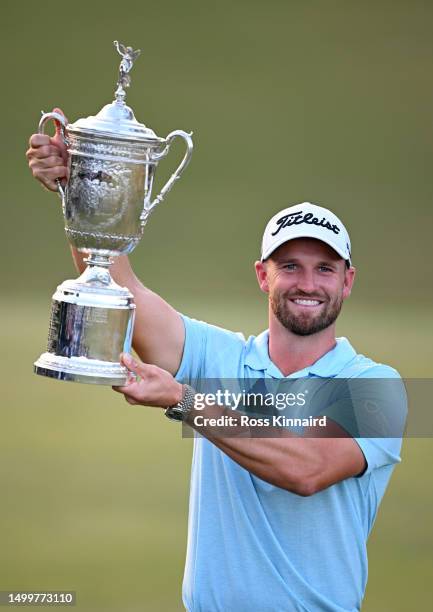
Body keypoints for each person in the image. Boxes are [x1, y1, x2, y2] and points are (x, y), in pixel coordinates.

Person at [27, 113, 405, 612]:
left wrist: (185, 401)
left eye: (325, 269)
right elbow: (121, 286)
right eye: (289, 266)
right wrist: (83, 187)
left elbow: (307, 470)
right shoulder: (218, 356)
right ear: (262, 276)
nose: (308, 284)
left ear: (348, 281)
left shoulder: (378, 386)